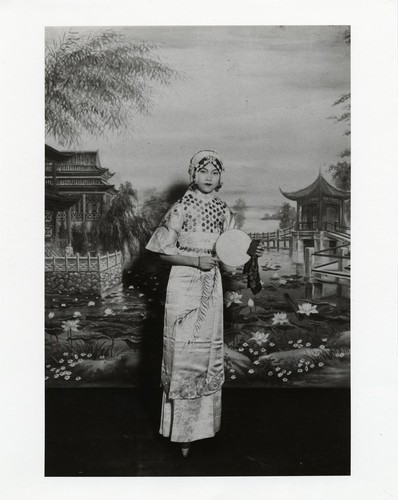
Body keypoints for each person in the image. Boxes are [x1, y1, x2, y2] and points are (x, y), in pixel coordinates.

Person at [145, 150, 263, 457]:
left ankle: (203, 428)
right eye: (203, 171)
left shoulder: (224, 210)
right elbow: (161, 252)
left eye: (214, 171)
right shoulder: (180, 207)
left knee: (207, 351)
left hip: (212, 286)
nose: (209, 176)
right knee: (182, 351)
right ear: (192, 174)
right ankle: (180, 432)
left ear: (221, 177)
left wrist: (248, 256)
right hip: (184, 282)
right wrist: (195, 260)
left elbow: (231, 253)